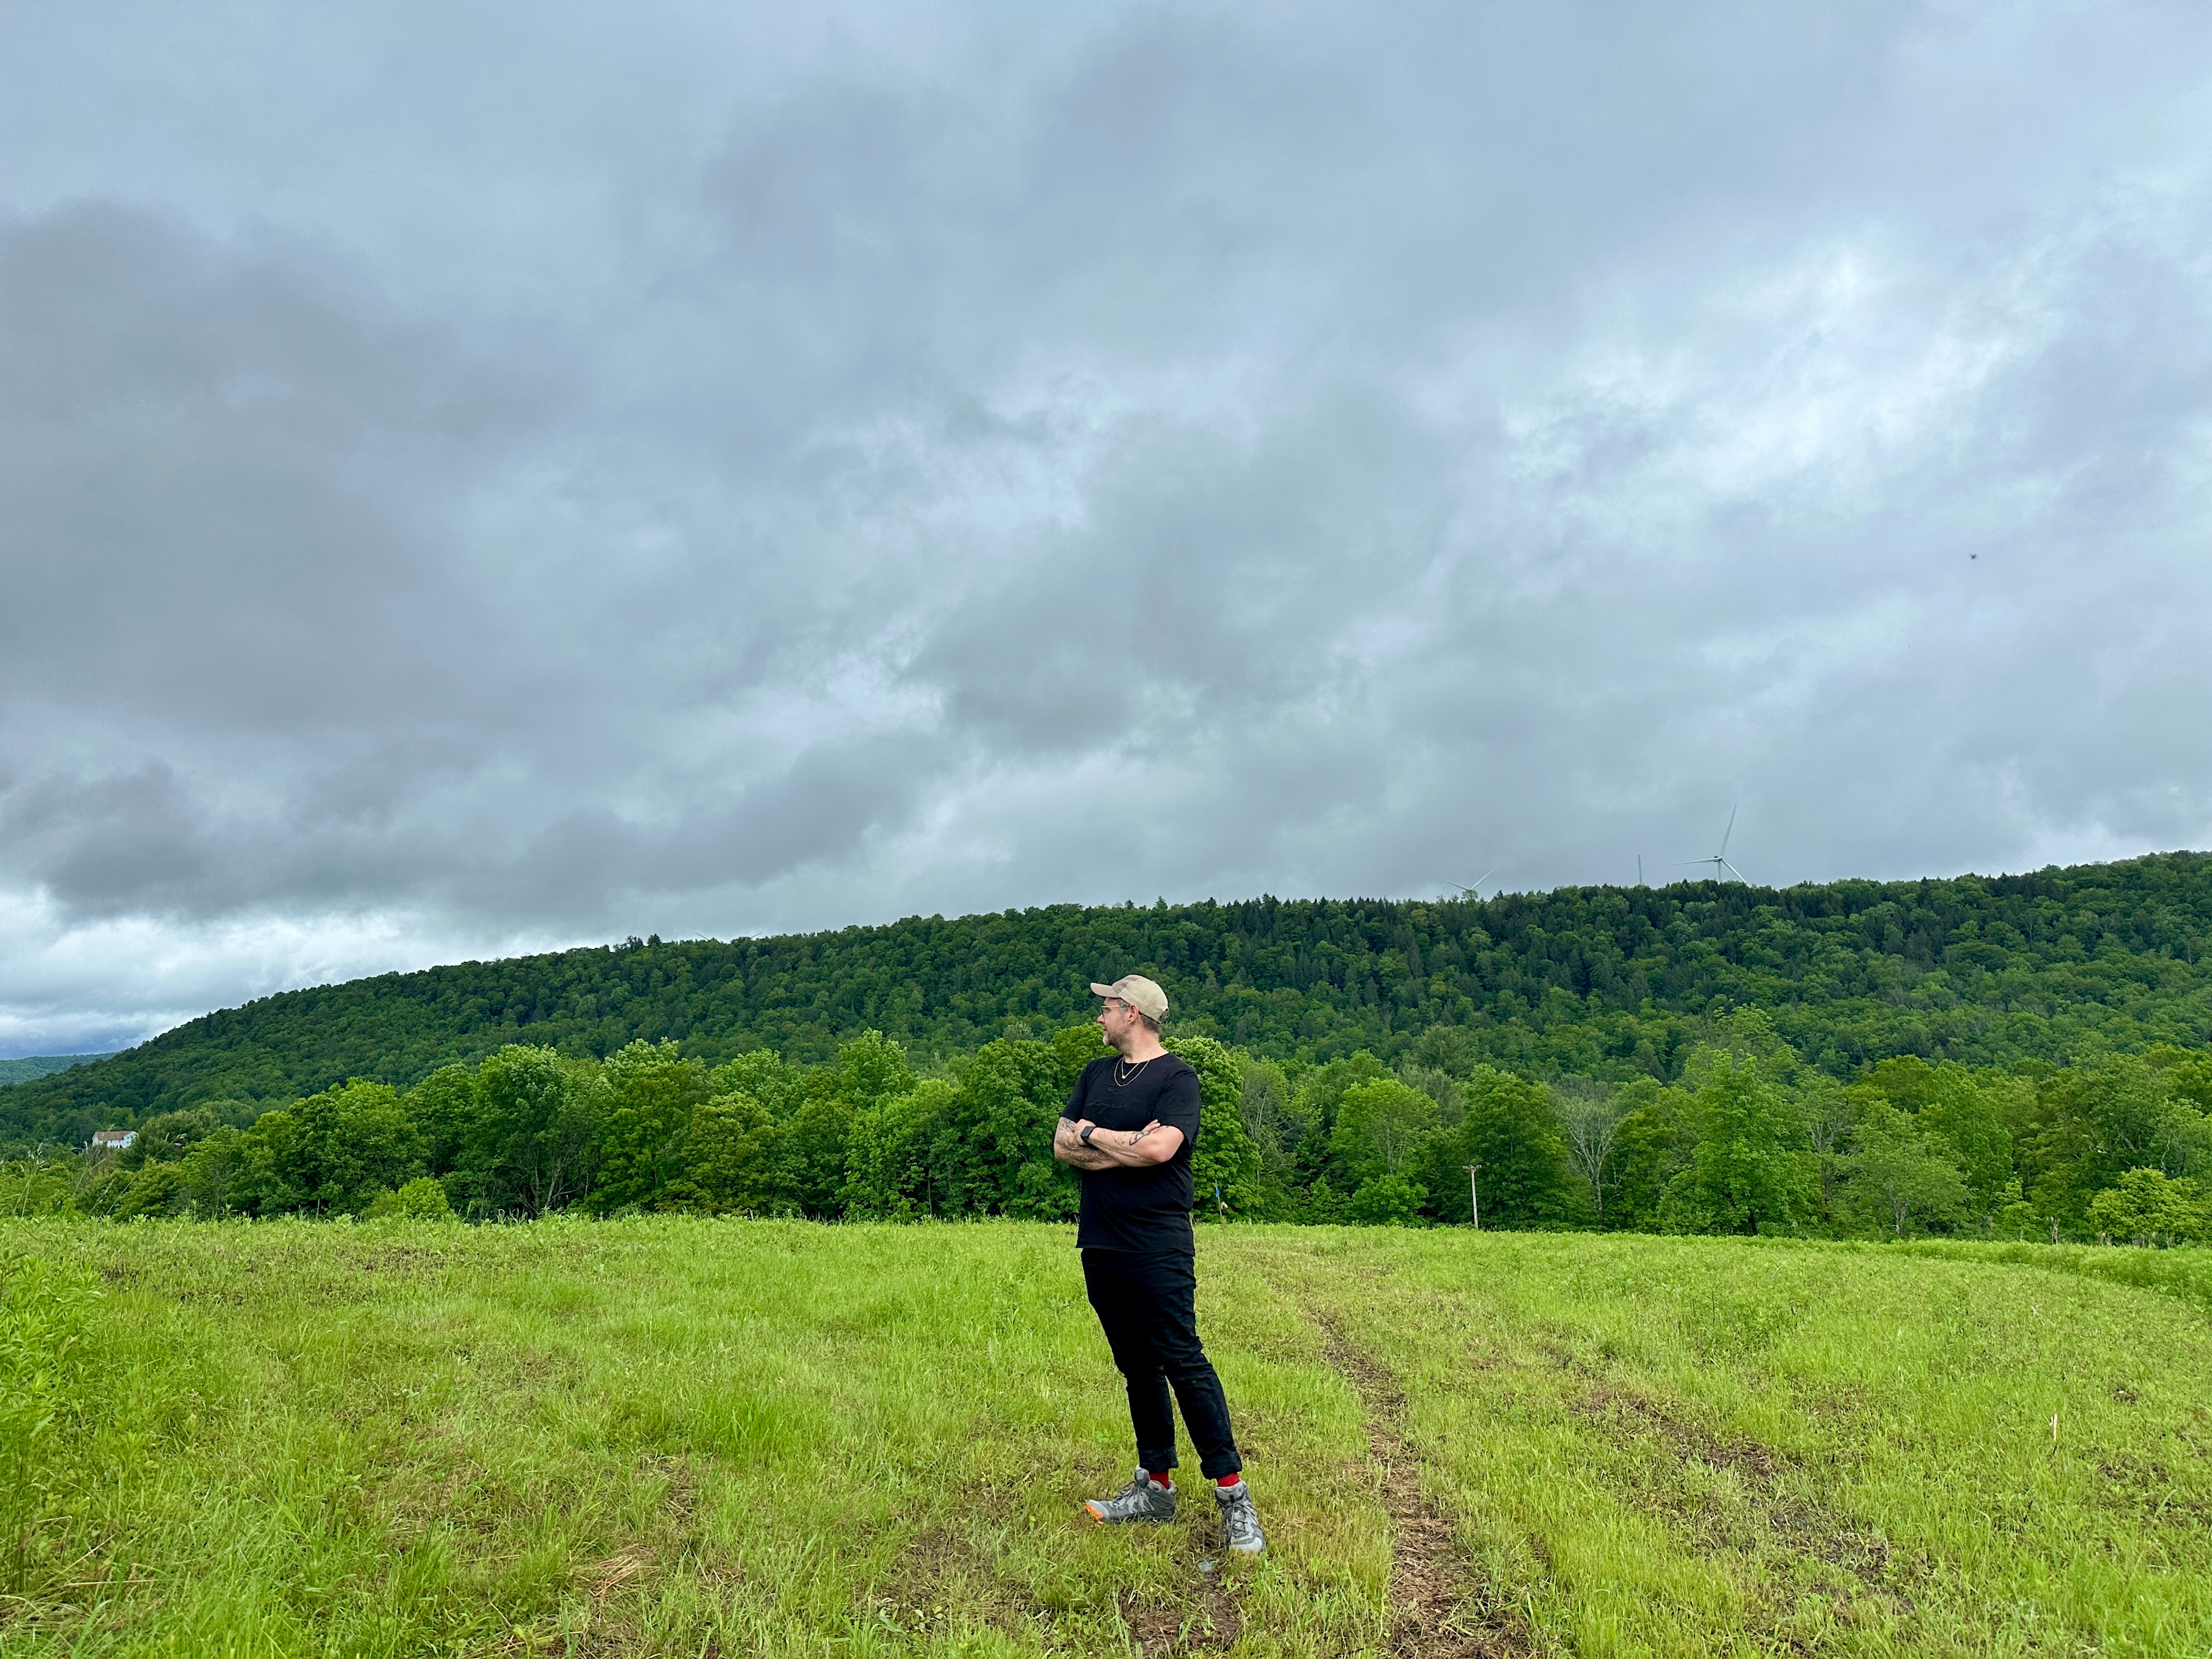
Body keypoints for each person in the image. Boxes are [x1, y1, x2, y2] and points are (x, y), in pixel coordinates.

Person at [1053, 974, 1264, 1555]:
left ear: (1134, 1014)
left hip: (1158, 1245)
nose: (1099, 1016)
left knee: (1182, 1361)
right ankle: (1156, 1488)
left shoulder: (1177, 1079)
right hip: (1101, 1243)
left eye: (1107, 1007)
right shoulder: (1095, 1075)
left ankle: (1234, 1498)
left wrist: (1096, 1137)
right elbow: (1061, 1145)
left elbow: (1161, 1150)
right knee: (1136, 1367)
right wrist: (1118, 1143)